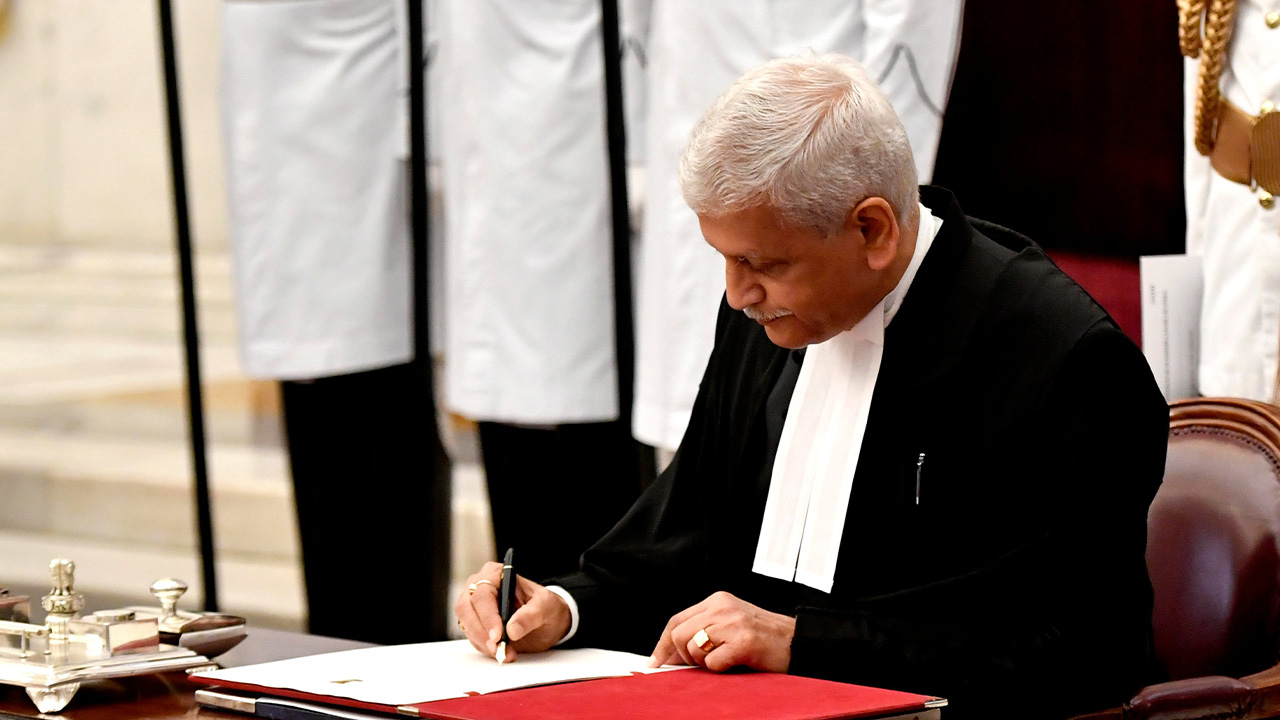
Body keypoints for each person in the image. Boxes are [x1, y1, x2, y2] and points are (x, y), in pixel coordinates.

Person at [456, 54, 1168, 720]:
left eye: (762, 264)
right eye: (725, 260)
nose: (736, 294)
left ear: (872, 231)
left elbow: (1084, 653)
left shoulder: (1066, 361)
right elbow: (688, 534)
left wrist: (804, 643)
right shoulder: (769, 315)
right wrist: (562, 606)